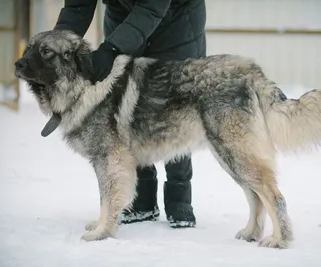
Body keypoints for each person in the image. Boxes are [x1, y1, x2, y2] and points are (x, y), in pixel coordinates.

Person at [53, 0, 206, 228]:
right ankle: (142, 201)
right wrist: (53, 46)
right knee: (130, 109)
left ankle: (179, 198)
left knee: (174, 107)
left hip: (177, 21)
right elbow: (78, 6)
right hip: (123, 18)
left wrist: (113, 47)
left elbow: (151, 7)